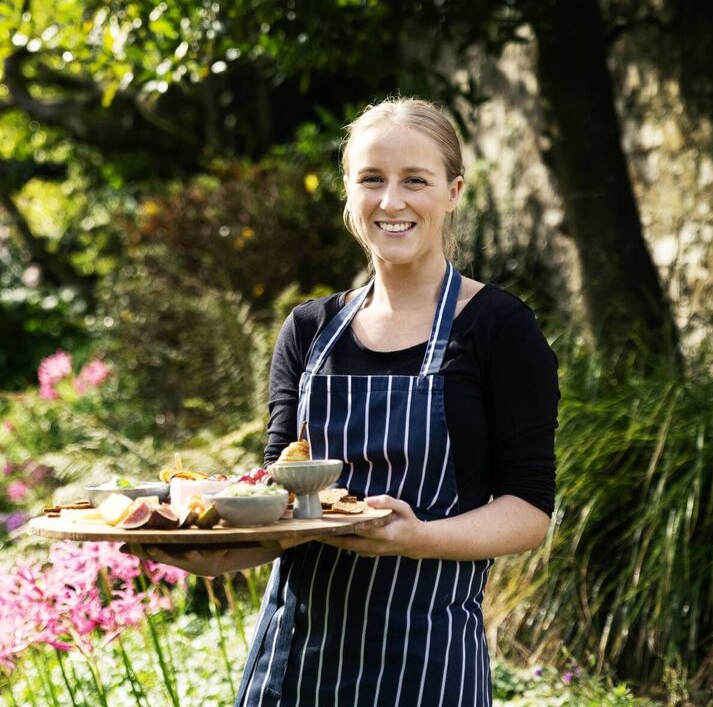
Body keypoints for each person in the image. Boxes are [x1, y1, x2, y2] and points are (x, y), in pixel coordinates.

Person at [143, 97, 559, 705]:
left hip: (428, 660)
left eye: (415, 180)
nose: (391, 201)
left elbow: (529, 511)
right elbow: (281, 501)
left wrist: (418, 538)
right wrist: (214, 554)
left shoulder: (499, 328)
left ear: (452, 192)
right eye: (371, 179)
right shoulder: (308, 330)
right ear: (348, 192)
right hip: (295, 662)